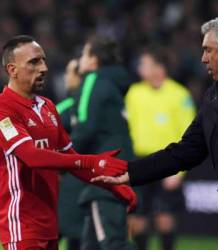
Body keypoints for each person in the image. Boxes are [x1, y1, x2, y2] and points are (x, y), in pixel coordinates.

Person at [94, 16, 218, 250]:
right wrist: (131, 172)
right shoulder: (214, 97)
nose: (203, 59)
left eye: (208, 50)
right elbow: (186, 150)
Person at [0, 35, 136, 250]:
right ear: (12, 69)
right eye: (33, 62)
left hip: (50, 225)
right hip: (22, 226)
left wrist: (112, 185)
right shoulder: (4, 109)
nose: (43, 67)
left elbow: (70, 157)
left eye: (43, 60)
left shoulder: (47, 107)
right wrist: (91, 162)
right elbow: (31, 156)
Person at [125, 45, 196, 250]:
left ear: (159, 67)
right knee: (137, 219)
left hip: (168, 163)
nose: (140, 69)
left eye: (144, 64)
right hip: (139, 162)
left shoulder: (179, 94)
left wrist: (179, 171)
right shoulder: (134, 93)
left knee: (165, 218)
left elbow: (191, 135)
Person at [71, 35, 136, 250]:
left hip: (105, 170)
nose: (80, 59)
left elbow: (85, 125)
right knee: (91, 245)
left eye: (83, 54)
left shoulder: (93, 80)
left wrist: (64, 159)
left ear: (93, 60)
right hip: (114, 167)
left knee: (113, 244)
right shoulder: (113, 84)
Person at [56, 59, 84, 250]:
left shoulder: (64, 107)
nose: (66, 77)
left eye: (69, 73)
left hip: (68, 183)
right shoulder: (104, 105)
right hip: (88, 179)